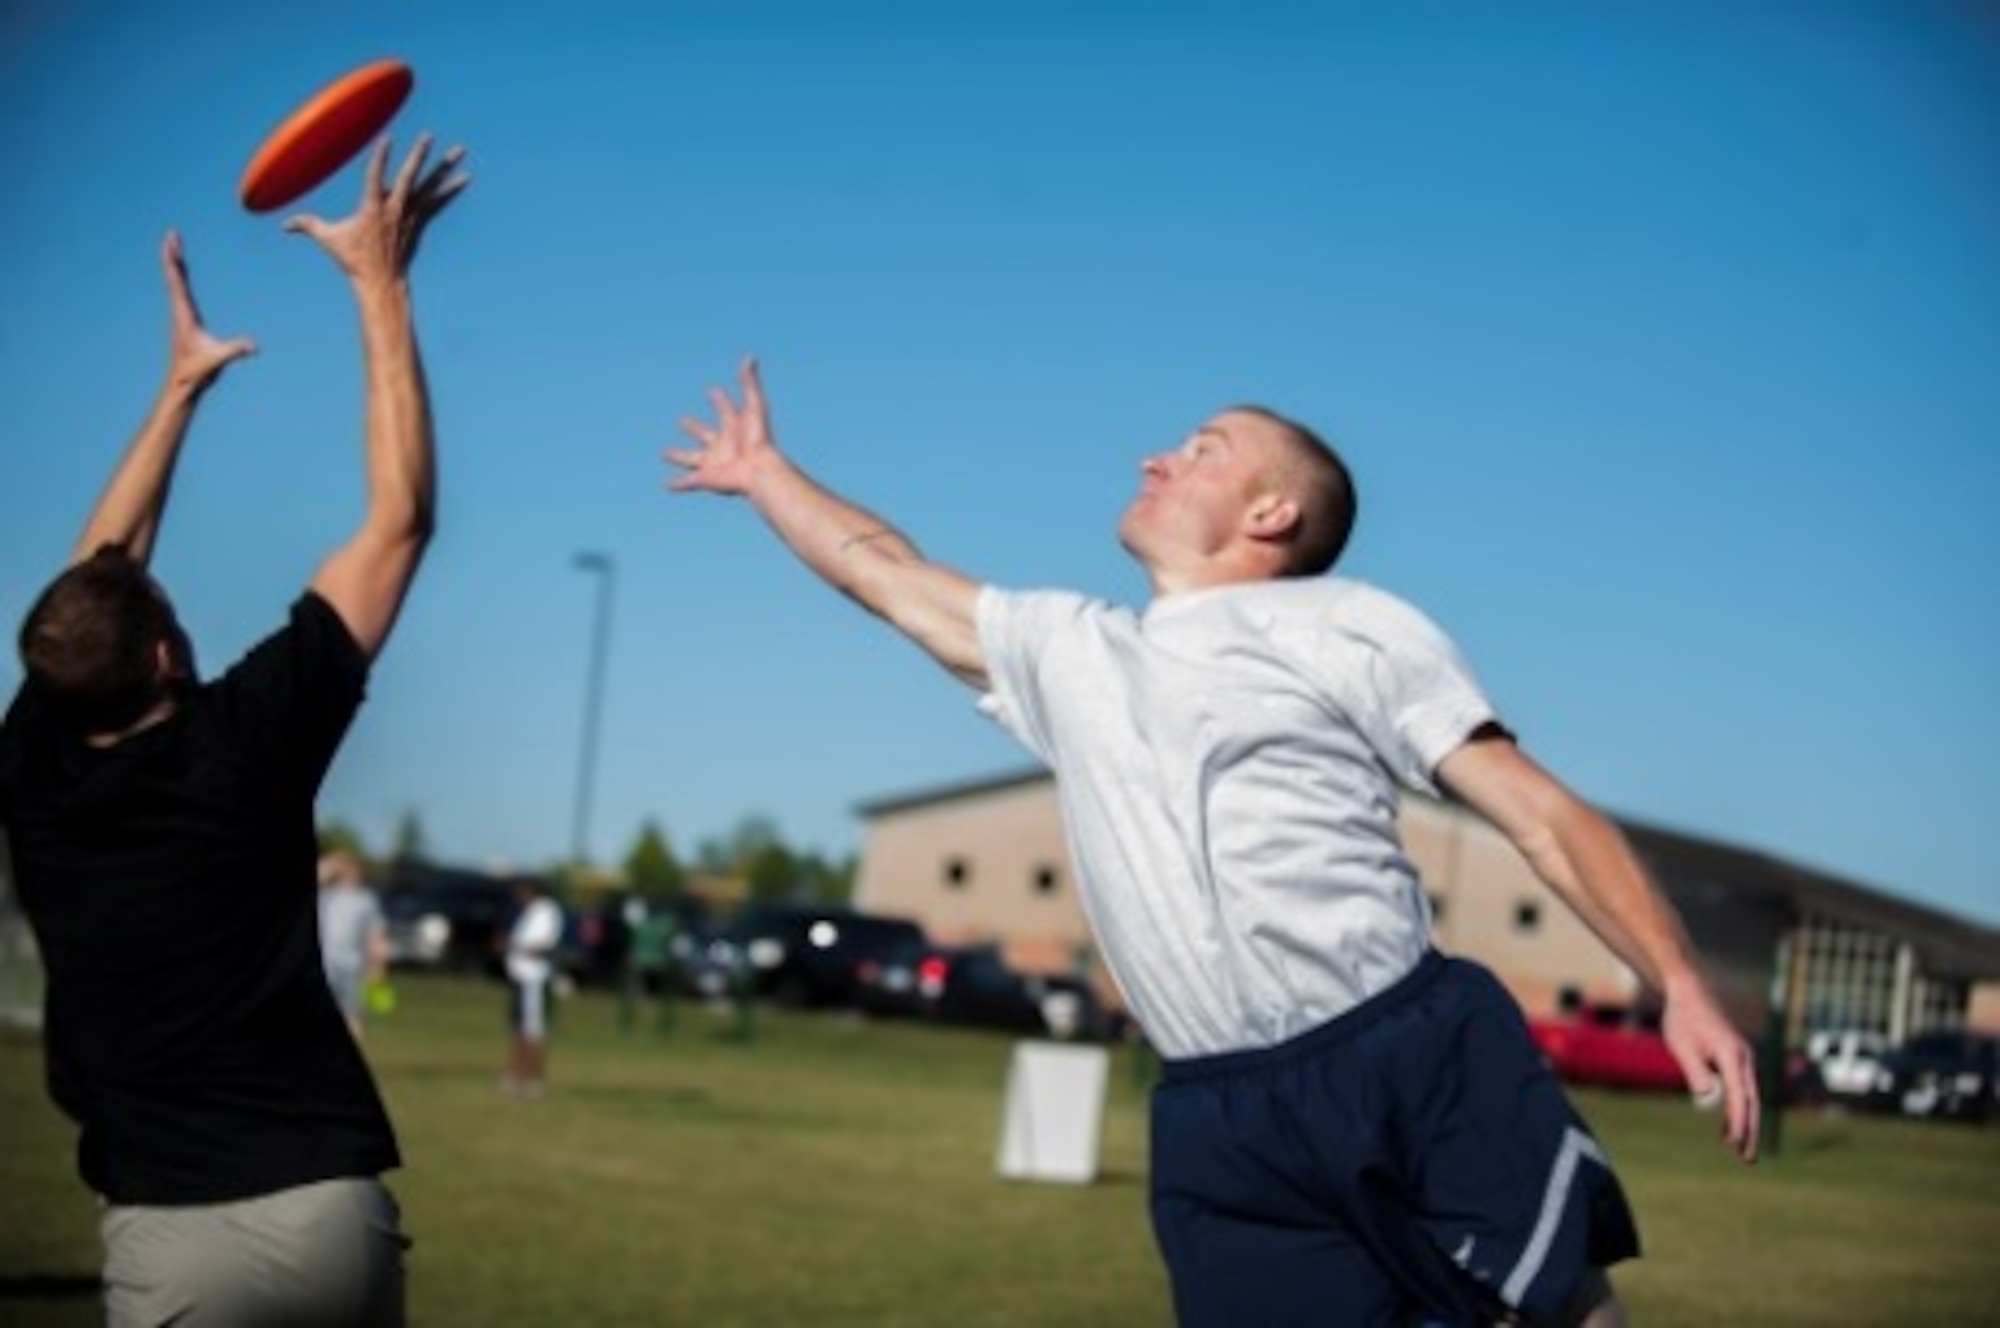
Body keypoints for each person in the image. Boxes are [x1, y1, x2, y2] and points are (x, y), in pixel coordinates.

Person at [666, 360, 1760, 1327]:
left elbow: (1539, 814)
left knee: (1560, 1306)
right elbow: (884, 573)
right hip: (1218, 1114)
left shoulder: (1349, 625)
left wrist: (1676, 978)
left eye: (1200, 450)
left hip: (1401, 1052)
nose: (1156, 456)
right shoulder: (1068, 650)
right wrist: (765, 473)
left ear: (1272, 510)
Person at [0, 136, 469, 1326]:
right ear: (166, 652)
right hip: (323, 1210)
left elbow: (92, 582)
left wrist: (176, 390)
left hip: (164, 1230)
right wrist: (379, 284)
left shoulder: (36, 766)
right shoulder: (245, 738)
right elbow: (399, 520)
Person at [501, 875, 565, 1098]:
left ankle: (533, 1077)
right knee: (519, 1030)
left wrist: (513, 946)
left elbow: (542, 945)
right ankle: (516, 1075)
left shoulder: (547, 911)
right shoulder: (531, 913)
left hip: (533, 979)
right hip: (520, 977)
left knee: (533, 1031)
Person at [318, 849, 389, 1040]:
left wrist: (378, 966)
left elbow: (376, 936)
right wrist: (332, 863)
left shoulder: (367, 900)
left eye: (355, 868)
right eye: (347, 868)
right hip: (326, 963)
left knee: (353, 1015)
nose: (351, 872)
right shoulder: (326, 896)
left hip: (354, 966)